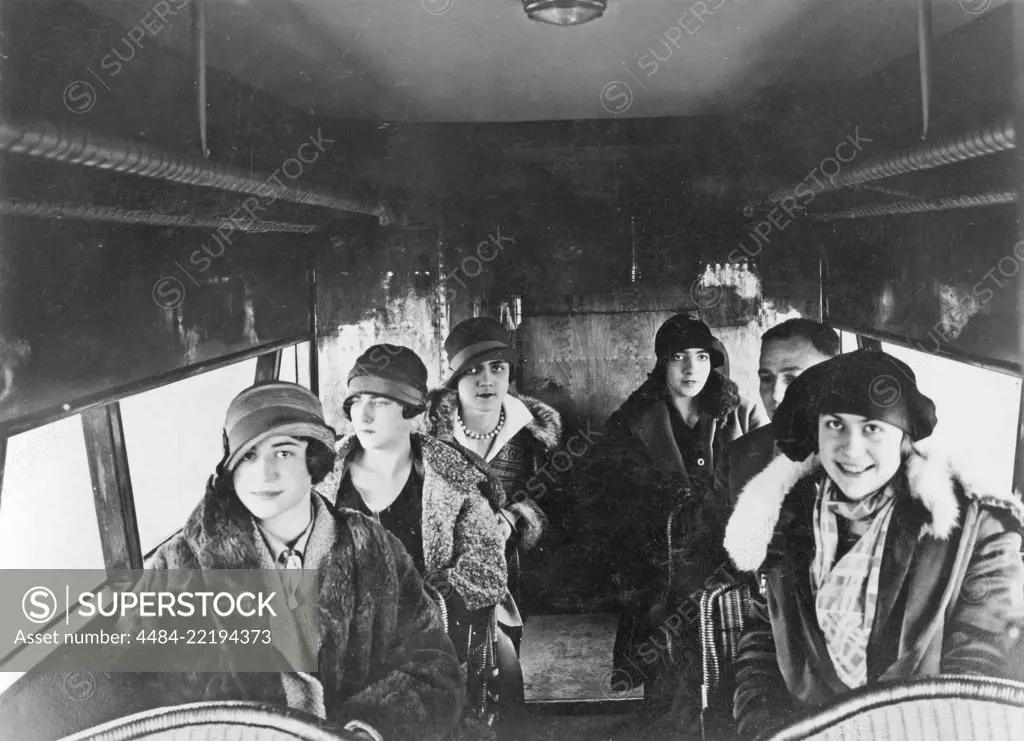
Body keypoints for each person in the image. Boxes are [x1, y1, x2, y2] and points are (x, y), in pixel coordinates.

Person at [724, 350, 1024, 740]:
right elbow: (761, 647)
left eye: (872, 428)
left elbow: (988, 665)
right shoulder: (788, 517)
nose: (850, 449)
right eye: (835, 424)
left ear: (903, 437)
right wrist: (765, 731)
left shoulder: (975, 529)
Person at [140, 381, 465, 741]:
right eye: (248, 456)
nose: (264, 474)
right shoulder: (179, 566)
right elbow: (142, 692)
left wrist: (366, 731)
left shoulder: (376, 550)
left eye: (283, 453)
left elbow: (432, 669)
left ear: (313, 461)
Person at [574, 314, 768, 735]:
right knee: (661, 674)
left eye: (701, 357)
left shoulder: (741, 411)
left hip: (723, 559)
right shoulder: (630, 421)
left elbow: (764, 480)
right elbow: (604, 499)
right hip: (655, 561)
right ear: (662, 363)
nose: (691, 368)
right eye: (679, 357)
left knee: (726, 664)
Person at [316, 344, 508, 662]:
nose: (362, 415)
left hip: (429, 647)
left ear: (410, 407)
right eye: (356, 402)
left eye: (379, 402)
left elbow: (487, 569)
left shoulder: (454, 476)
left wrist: (427, 604)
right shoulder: (317, 477)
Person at [425, 317, 564, 621]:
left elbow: (552, 500)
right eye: (472, 370)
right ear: (455, 379)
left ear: (509, 375)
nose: (486, 379)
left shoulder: (535, 436)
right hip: (440, 582)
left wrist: (515, 517)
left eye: (497, 368)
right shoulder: (427, 433)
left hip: (510, 571)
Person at [723, 318, 840, 503]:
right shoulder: (736, 457)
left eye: (792, 379)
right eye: (767, 379)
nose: (776, 395)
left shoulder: (875, 461)